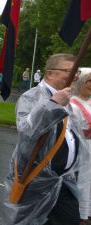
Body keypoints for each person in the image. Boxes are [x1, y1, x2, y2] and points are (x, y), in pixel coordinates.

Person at [5, 54, 90, 225]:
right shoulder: (31, 97)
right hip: (36, 184)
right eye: (69, 70)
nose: (75, 75)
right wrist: (53, 104)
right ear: (50, 74)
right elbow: (27, 130)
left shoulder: (67, 99)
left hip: (64, 182)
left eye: (77, 71)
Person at [70, 68, 91, 223]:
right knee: (83, 181)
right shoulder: (73, 105)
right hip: (83, 149)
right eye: (89, 81)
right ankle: (81, 215)